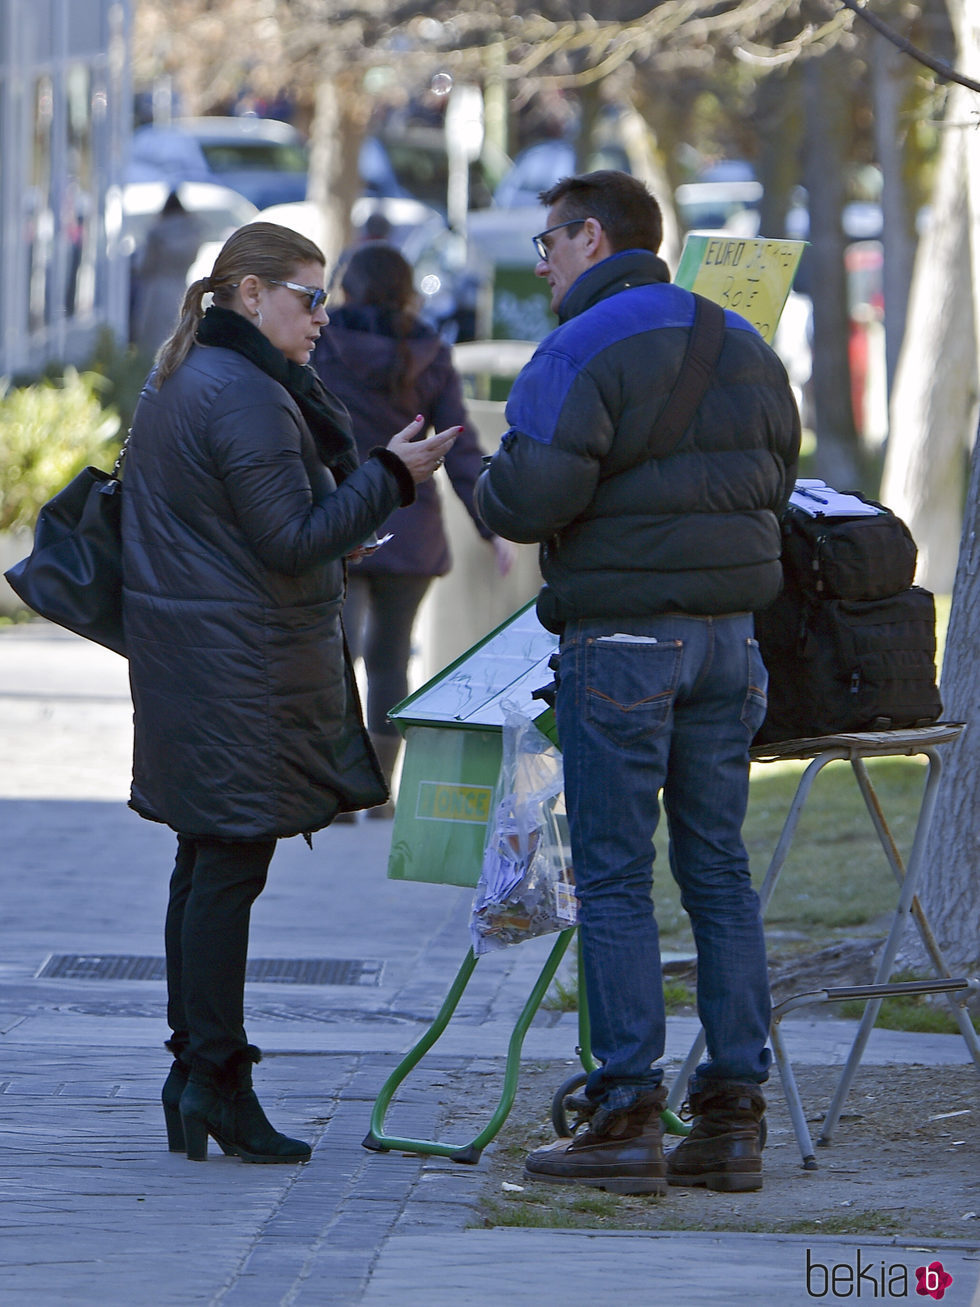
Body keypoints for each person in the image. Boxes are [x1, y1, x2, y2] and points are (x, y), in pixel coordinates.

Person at [475, 171, 800, 1196]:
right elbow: (778, 474)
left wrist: (475, 480)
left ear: (593, 235)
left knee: (614, 875)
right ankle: (731, 1116)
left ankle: (621, 1116)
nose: (539, 261)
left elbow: (529, 497)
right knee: (717, 870)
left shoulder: (578, 344)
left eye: (547, 240)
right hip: (729, 644)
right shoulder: (743, 341)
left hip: (620, 643)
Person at [122, 221, 458, 1164]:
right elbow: (290, 537)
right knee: (228, 868)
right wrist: (394, 474)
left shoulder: (188, 374)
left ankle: (196, 1077)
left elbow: (242, 526)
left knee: (207, 864)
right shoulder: (244, 394)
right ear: (248, 294)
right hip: (239, 667)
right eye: (307, 298)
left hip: (200, 656)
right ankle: (218, 1083)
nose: (321, 319)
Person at [312, 242, 515, 815]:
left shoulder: (320, 344)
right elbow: (460, 446)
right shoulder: (429, 350)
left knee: (332, 650)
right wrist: (491, 524)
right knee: (391, 657)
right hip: (413, 528)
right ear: (406, 291)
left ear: (347, 289)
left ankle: (335, 786)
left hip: (338, 521)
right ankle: (377, 790)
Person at [131, 189, 204, 357]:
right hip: (182, 287)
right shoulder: (192, 232)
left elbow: (144, 264)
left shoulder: (157, 231)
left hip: (156, 289)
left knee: (154, 340)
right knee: (179, 333)